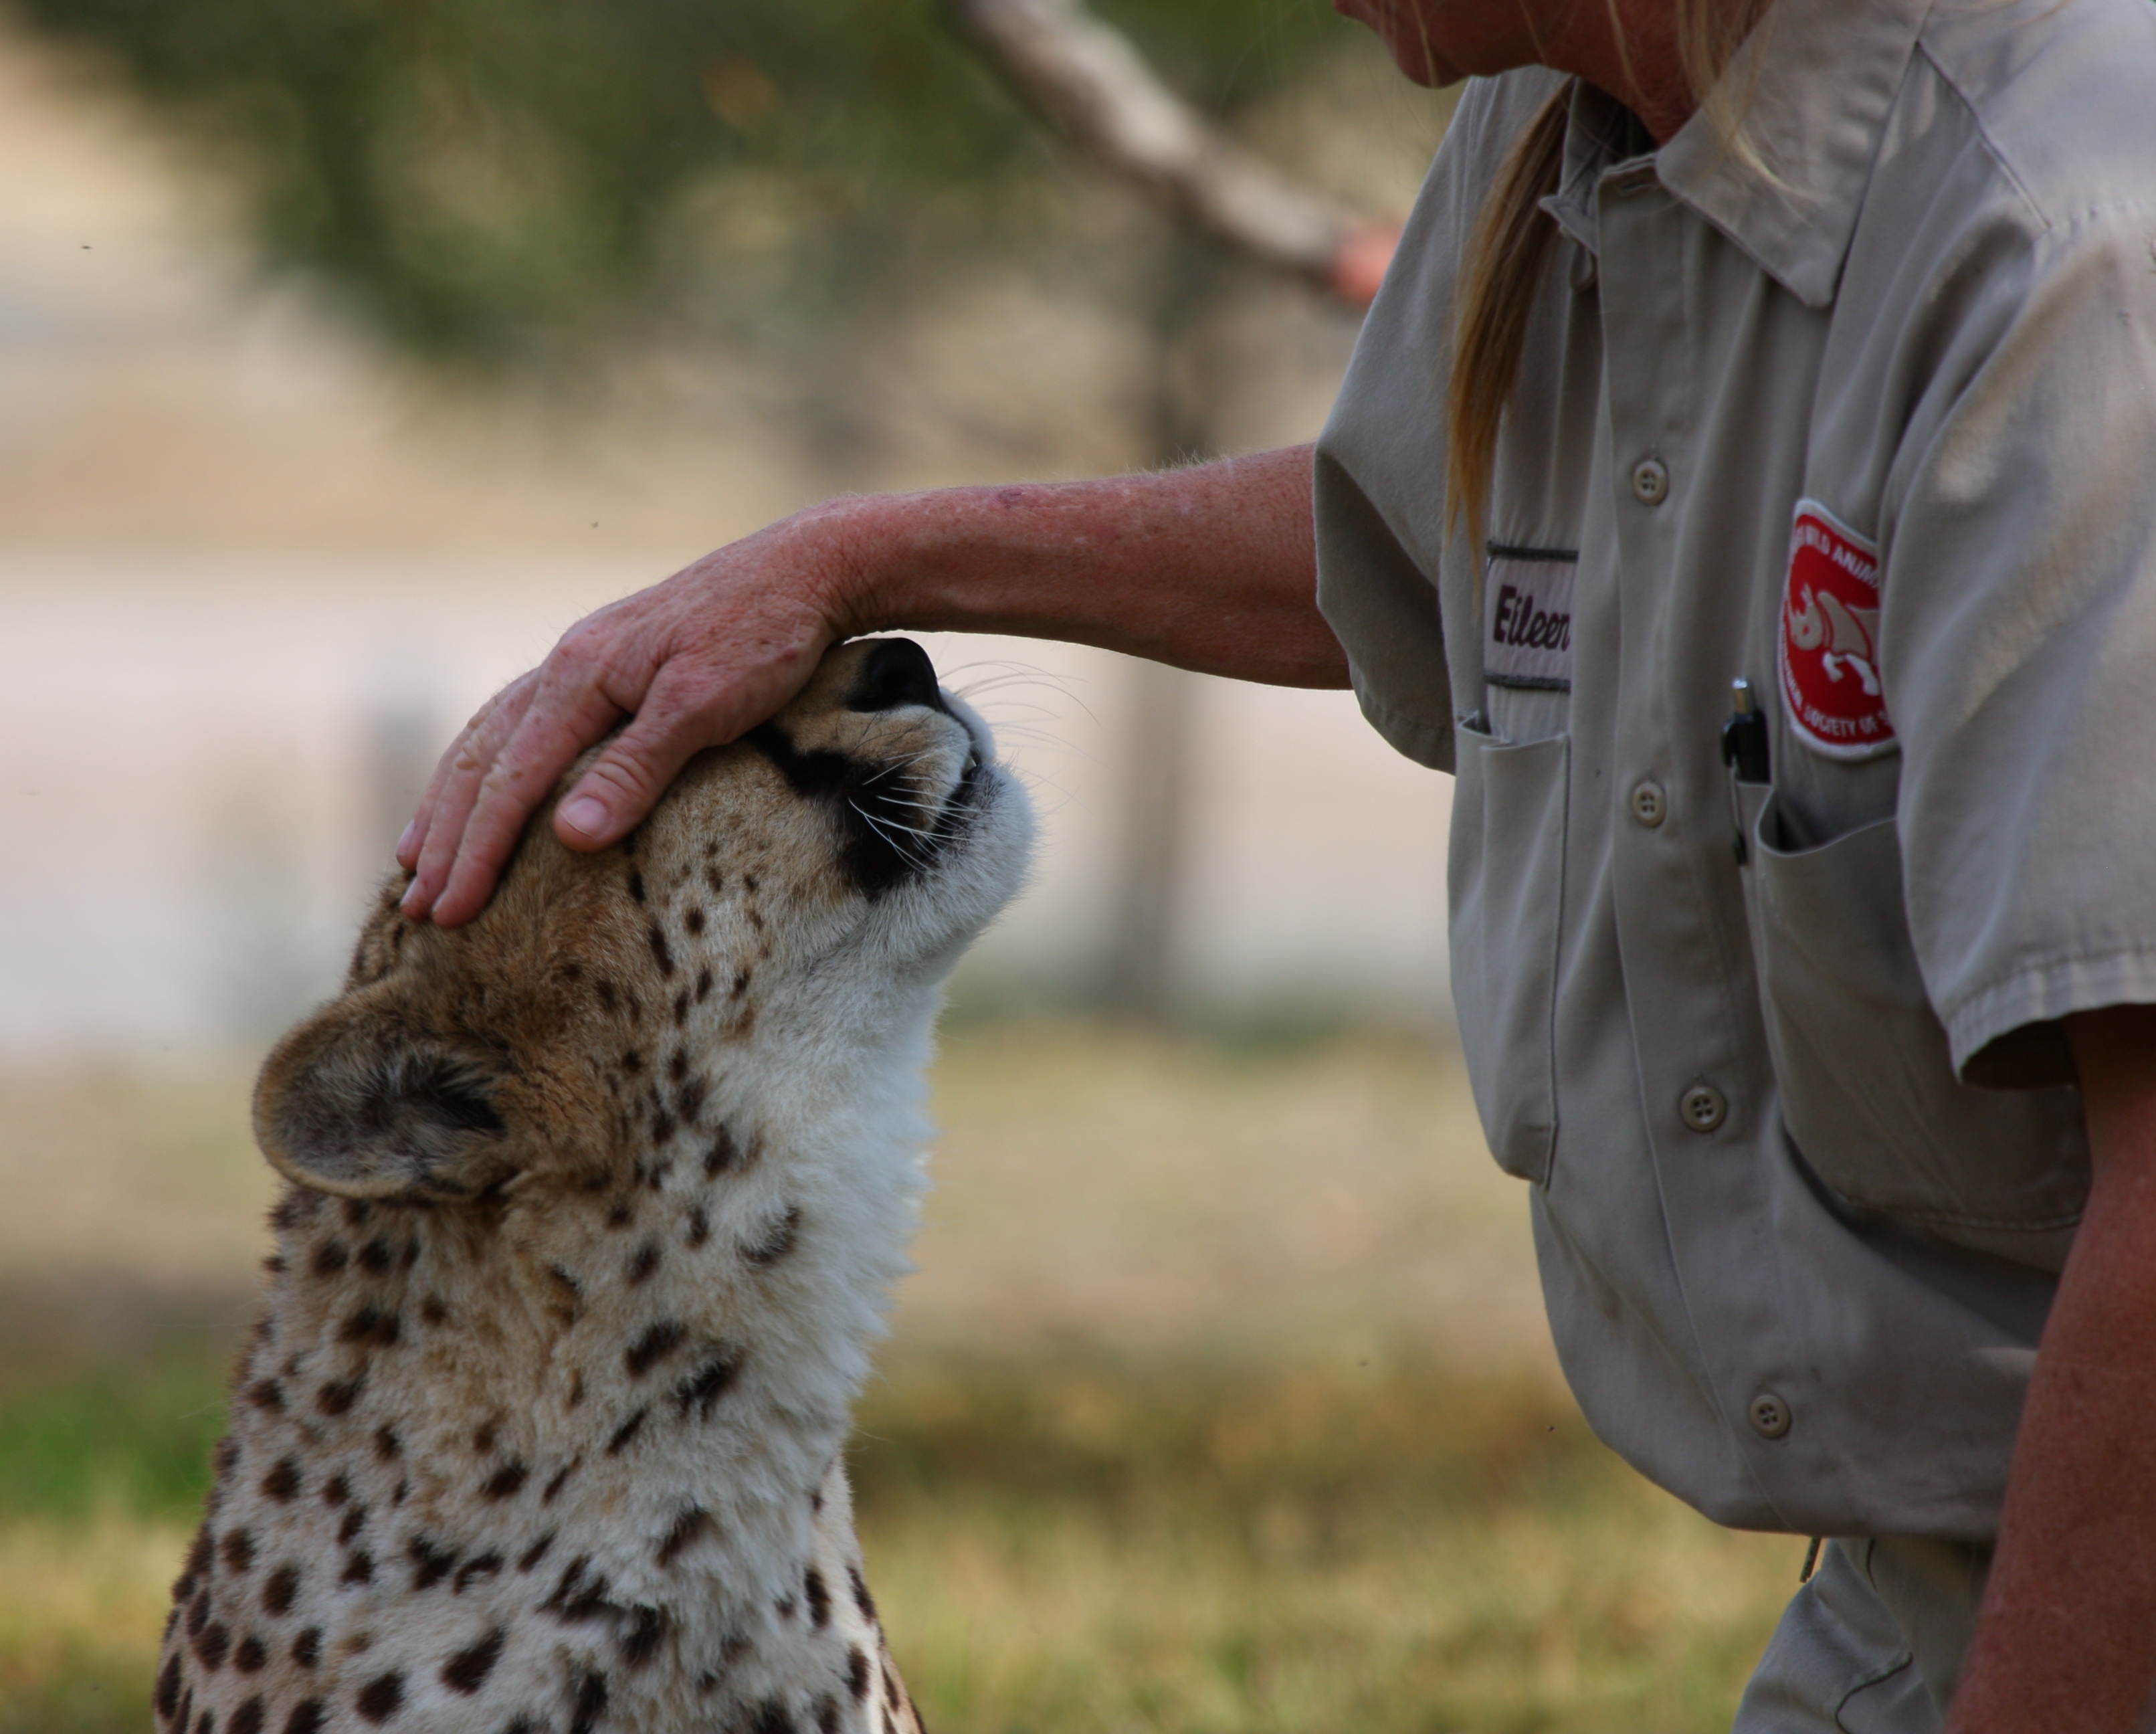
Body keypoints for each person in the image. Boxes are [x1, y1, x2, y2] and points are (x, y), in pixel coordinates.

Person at [393, 0, 2156, 1725]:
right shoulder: (1572, 97)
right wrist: (850, 563)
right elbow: (1419, 536)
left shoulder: (2067, 241)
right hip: (1916, 1591)